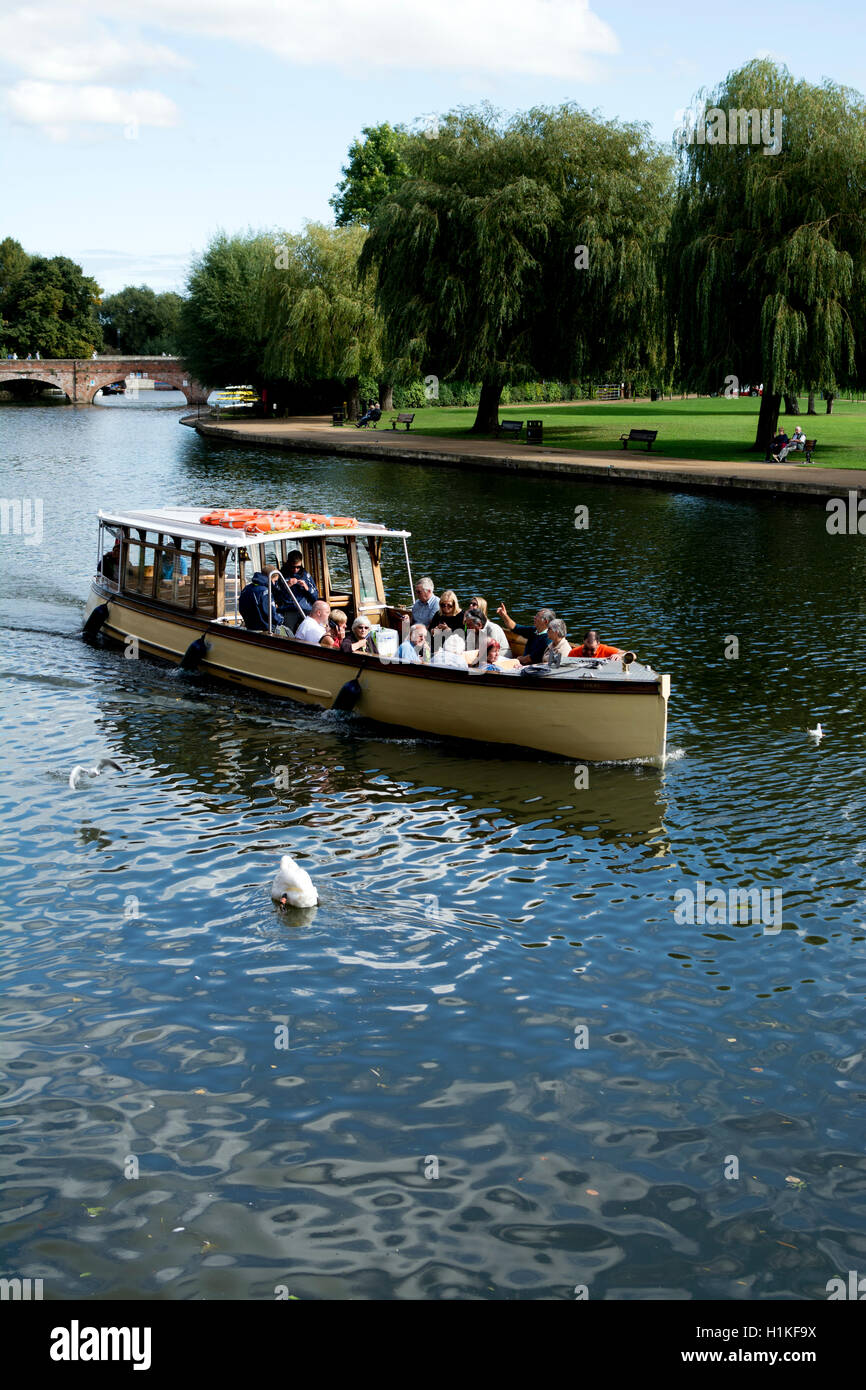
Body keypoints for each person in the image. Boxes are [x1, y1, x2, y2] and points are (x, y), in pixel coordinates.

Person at [279, 549, 319, 615]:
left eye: (298, 567)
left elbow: (315, 596)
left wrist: (307, 588)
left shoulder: (305, 575)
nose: (296, 569)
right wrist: (287, 586)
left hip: (305, 609)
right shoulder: (281, 575)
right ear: (288, 563)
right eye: (293, 567)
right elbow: (276, 595)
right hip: (288, 609)